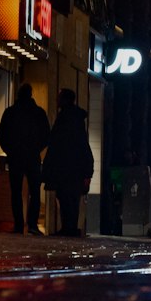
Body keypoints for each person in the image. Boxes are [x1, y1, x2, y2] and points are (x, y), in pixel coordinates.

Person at [0, 83, 50, 235]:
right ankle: (32, 224)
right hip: (33, 157)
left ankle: (19, 224)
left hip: (16, 157)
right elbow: (46, 135)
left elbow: (2, 135)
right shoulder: (39, 113)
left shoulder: (10, 113)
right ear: (31, 94)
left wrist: (10, 151)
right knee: (34, 191)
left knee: (16, 192)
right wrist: (36, 148)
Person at [42, 88, 95, 237]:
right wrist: (87, 170)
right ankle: (69, 227)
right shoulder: (76, 120)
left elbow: (57, 145)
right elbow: (83, 146)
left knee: (66, 199)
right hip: (74, 169)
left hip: (65, 168)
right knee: (71, 199)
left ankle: (68, 228)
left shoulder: (65, 119)